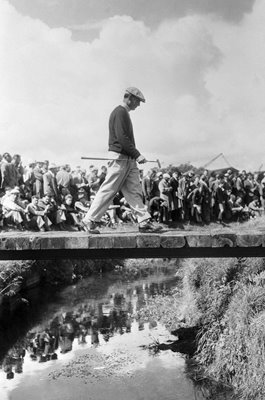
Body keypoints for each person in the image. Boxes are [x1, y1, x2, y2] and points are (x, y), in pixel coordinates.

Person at [82, 87, 163, 233]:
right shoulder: (120, 112)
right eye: (138, 101)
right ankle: (89, 219)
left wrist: (134, 155)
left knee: (134, 190)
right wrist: (137, 154)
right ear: (129, 98)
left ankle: (144, 220)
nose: (138, 105)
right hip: (120, 157)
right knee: (109, 189)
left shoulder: (124, 113)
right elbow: (121, 137)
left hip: (128, 158)